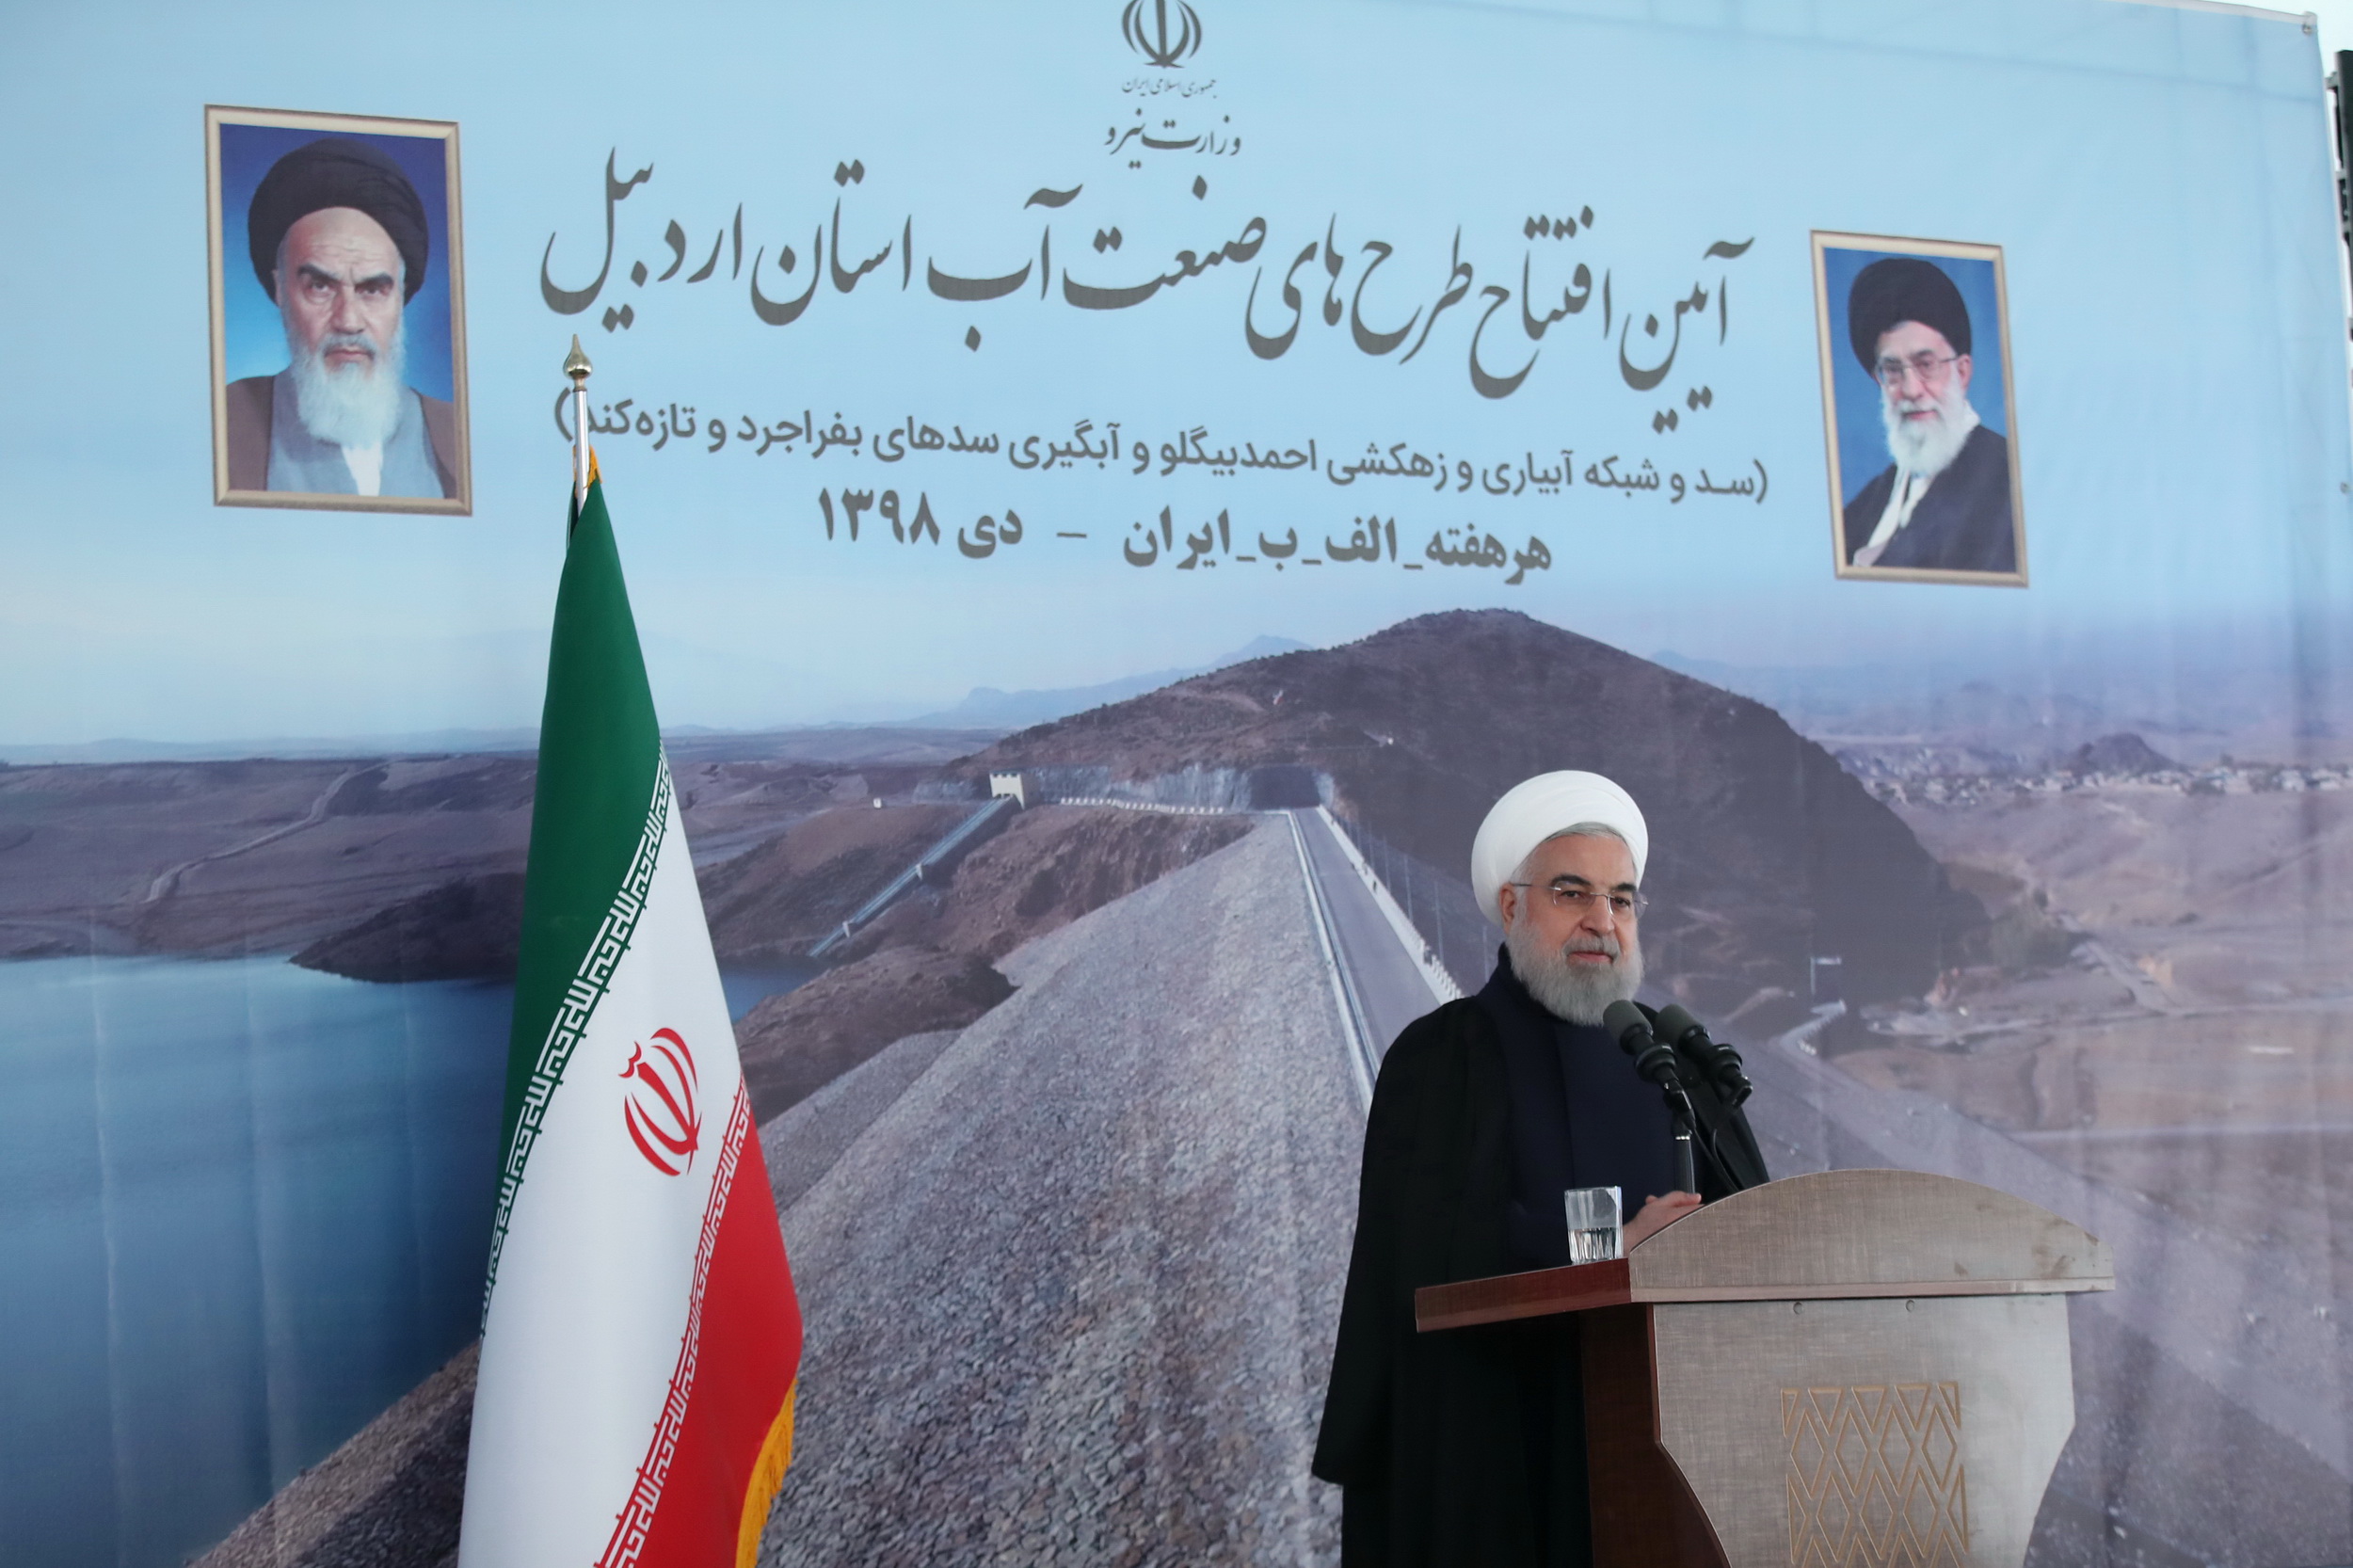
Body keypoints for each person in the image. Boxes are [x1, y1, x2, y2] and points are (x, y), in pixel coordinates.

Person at [1313, 770, 1769, 1567]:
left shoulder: (1668, 1063)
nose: (1603, 922)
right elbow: (1429, 1253)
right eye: (1573, 894)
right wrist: (1613, 1246)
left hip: (1683, 1461)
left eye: (1622, 900)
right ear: (1512, 904)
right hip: (1507, 1454)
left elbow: (1763, 1228)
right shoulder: (1447, 1055)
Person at [223, 137, 458, 498]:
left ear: (401, 295)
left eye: (372, 290)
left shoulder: (460, 434)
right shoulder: (224, 422)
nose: (348, 321)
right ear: (279, 289)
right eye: (320, 286)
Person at [1838, 256, 2015, 574]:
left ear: (1962, 372)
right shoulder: (1864, 508)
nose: (1911, 389)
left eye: (1926, 365)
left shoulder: (2011, 483)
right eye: (1893, 370)